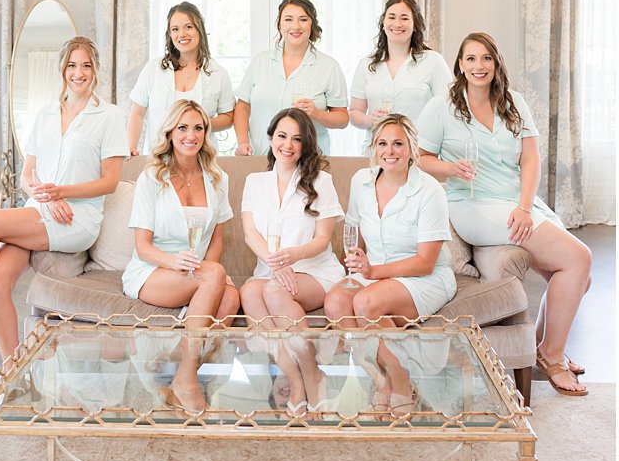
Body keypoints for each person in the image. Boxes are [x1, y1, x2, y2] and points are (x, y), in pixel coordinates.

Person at [416, 32, 593, 397]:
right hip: (474, 205)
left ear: (496, 64)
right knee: (579, 258)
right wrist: (450, 169)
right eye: (470, 59)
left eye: (486, 59)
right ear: (460, 65)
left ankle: (543, 347)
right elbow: (419, 157)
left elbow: (530, 158)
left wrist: (526, 206)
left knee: (579, 278)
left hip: (516, 200)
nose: (478, 66)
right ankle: (552, 356)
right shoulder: (441, 107)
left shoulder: (514, 102)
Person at [0, 36, 127, 367]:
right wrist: (45, 196)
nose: (78, 73)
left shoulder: (108, 116)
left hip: (76, 221)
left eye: (86, 65)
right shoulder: (46, 114)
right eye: (72, 65)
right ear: (62, 69)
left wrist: (60, 193)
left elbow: (109, 182)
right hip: (41, 210)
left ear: (96, 70)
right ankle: (13, 375)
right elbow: (28, 175)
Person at [324, 114, 457, 414]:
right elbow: (353, 231)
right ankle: (379, 379)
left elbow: (425, 262)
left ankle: (402, 382)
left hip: (424, 277)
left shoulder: (429, 190)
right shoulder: (362, 181)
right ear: (373, 147)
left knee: (367, 303)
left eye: (398, 143)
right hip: (375, 273)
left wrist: (373, 272)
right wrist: (357, 263)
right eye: (382, 143)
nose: (390, 151)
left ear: (412, 147)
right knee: (334, 302)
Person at [122, 100, 239, 414]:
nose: (192, 135)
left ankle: (181, 371)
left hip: (197, 272)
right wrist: (178, 264)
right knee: (215, 278)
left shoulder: (217, 178)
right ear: (170, 132)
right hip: (153, 269)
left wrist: (210, 269)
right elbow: (142, 247)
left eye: (198, 128)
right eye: (183, 128)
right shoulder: (152, 177)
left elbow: (217, 238)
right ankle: (186, 379)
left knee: (230, 298)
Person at [238, 109, 346, 415]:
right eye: (282, 136)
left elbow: (322, 239)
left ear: (305, 144)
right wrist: (277, 264)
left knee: (273, 291)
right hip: (270, 268)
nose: (288, 145)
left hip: (314, 269)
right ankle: (294, 377)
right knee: (249, 292)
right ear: (271, 138)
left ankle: (310, 373)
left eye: (297, 139)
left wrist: (292, 257)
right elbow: (250, 234)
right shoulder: (254, 181)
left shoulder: (321, 181)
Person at [234, 0, 349, 156]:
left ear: (312, 24)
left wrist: (317, 114)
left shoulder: (328, 66)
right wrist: (243, 142)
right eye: (288, 19)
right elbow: (242, 106)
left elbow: (343, 119)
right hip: (261, 155)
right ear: (279, 25)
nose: (296, 26)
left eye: (303, 19)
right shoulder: (260, 61)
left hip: (310, 161)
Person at [126, 1, 236, 155]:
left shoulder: (218, 73)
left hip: (202, 159)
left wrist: (199, 125)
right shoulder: (153, 69)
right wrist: (131, 147)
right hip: (158, 158)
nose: (182, 34)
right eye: (175, 29)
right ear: (170, 35)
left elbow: (228, 117)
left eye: (189, 27)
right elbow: (137, 112)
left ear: (200, 30)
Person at [349, 0, 453, 129]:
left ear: (415, 25)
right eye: (391, 17)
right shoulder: (366, 64)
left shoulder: (434, 61)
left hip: (418, 147)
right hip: (376, 147)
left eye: (404, 18)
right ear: (383, 24)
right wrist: (370, 120)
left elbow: (448, 109)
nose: (397, 24)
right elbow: (354, 113)